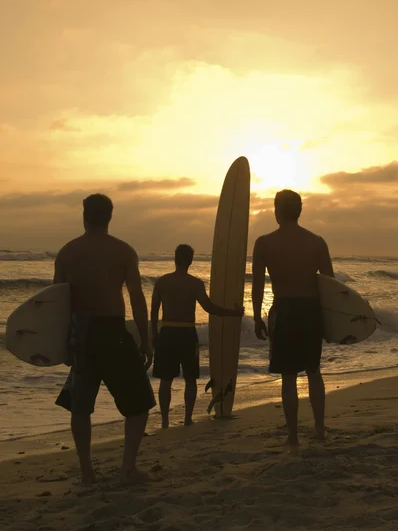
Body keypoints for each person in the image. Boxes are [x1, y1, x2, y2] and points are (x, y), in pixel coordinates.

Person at [54, 194, 156, 485]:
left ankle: (87, 472)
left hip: (82, 335)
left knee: (80, 406)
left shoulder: (67, 252)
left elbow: (55, 304)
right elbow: (137, 299)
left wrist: (61, 344)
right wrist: (146, 340)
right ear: (110, 217)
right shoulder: (123, 251)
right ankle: (127, 469)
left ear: (84, 215)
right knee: (138, 403)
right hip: (113, 333)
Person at [251, 190, 334, 451]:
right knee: (313, 371)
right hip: (311, 310)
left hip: (284, 311)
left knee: (288, 376)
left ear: (277, 211)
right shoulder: (317, 242)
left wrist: (256, 317)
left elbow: (256, 286)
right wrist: (331, 321)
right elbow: (331, 285)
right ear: (300, 211)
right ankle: (319, 430)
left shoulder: (264, 243)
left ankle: (293, 436)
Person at [151, 244, 244, 429]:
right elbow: (209, 307)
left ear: (174, 259)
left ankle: (164, 422)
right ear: (191, 261)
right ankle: (187, 419)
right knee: (190, 378)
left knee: (165, 379)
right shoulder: (195, 284)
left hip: (167, 332)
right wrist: (232, 313)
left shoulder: (162, 282)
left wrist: (153, 335)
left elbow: (153, 312)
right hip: (187, 333)